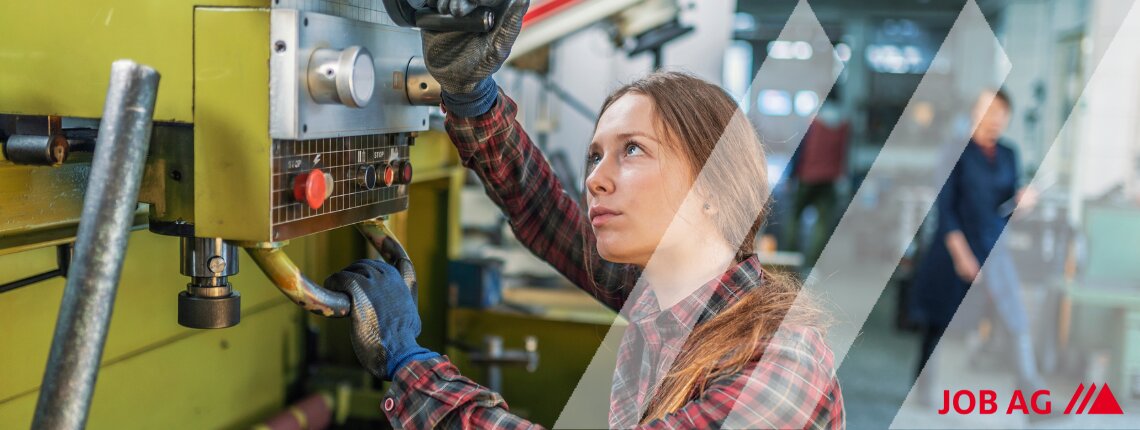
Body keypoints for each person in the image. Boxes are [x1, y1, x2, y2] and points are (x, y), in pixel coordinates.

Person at [325, 0, 844, 428]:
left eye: (633, 150)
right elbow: (542, 209)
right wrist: (470, 97)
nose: (595, 178)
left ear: (712, 186)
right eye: (596, 155)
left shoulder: (781, 363)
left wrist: (414, 366)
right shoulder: (669, 302)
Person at [909, 89, 1044, 405]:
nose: (994, 119)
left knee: (1016, 320)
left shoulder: (1009, 155)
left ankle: (1034, 398)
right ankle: (924, 389)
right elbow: (946, 210)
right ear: (974, 113)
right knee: (937, 321)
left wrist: (1023, 205)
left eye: (1000, 114)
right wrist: (962, 255)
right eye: (988, 112)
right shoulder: (954, 152)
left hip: (994, 249)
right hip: (953, 250)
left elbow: (1005, 209)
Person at [785, 91, 850, 268]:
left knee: (795, 218)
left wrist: (790, 175)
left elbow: (801, 150)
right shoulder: (843, 125)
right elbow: (844, 154)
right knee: (821, 224)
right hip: (829, 179)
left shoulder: (814, 122)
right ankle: (811, 265)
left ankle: (790, 259)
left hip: (808, 176)